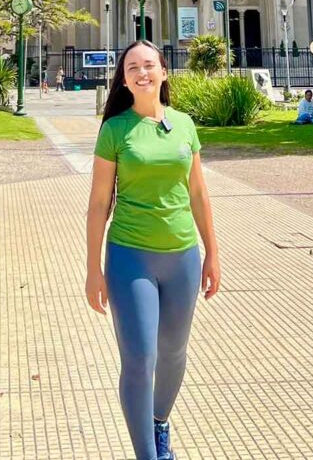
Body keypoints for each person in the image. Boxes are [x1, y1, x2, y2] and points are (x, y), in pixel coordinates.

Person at [87, 41, 221, 460]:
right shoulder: (115, 130)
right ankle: (148, 454)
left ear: (164, 72)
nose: (141, 73)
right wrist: (93, 269)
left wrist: (213, 254)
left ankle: (159, 420)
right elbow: (99, 204)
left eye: (149, 65)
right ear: (124, 80)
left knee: (174, 352)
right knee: (140, 357)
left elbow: (198, 193)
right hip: (131, 256)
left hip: (183, 255)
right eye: (132, 67)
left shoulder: (184, 125)